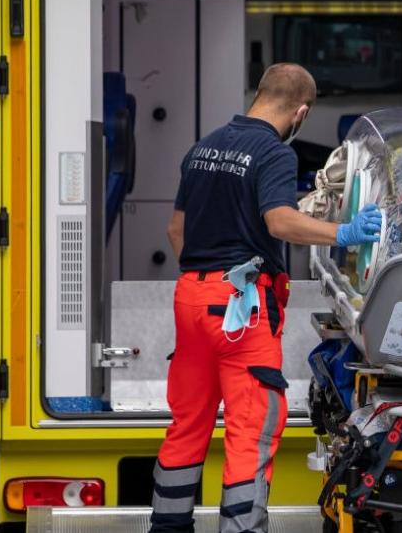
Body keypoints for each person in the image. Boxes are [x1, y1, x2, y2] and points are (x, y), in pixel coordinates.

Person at [150, 63, 382, 533]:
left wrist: (207, 276)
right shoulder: (273, 153)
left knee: (187, 426)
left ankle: (168, 526)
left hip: (191, 299)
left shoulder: (202, 147)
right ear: (300, 112)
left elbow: (177, 230)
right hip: (240, 311)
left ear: (259, 93)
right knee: (251, 430)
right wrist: (345, 231)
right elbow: (279, 222)